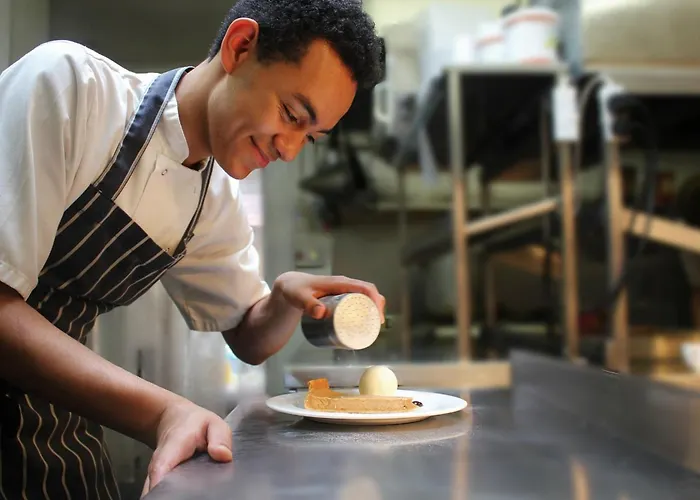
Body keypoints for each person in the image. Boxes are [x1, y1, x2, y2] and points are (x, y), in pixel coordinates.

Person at [0, 0, 384, 498]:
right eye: (290, 114)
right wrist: (165, 412)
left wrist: (283, 300)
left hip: (55, 422)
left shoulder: (213, 198)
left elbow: (247, 335)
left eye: (309, 138)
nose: (289, 149)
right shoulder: (72, 87)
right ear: (240, 47)